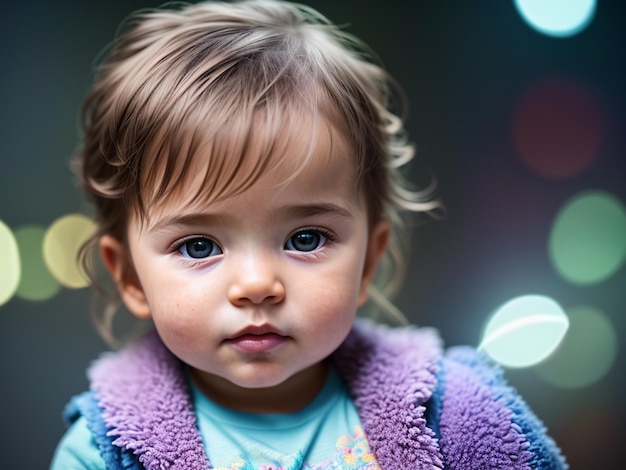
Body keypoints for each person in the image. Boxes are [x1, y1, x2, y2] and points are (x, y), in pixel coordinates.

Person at [50, 0, 568, 468]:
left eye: (305, 239)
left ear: (368, 262)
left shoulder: (451, 419)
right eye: (199, 246)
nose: (256, 285)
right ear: (132, 278)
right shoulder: (102, 452)